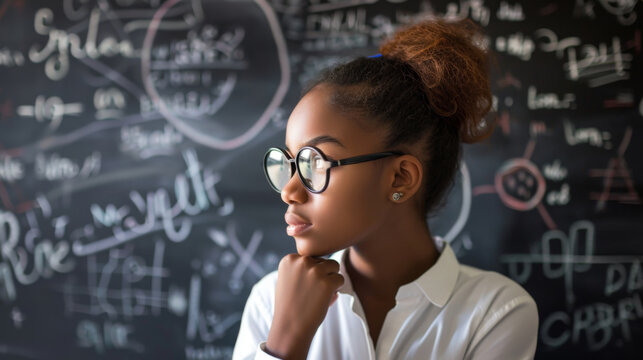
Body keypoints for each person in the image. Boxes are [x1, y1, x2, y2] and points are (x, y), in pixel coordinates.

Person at [232, 18, 539, 360]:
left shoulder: (495, 313)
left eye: (314, 163)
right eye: (288, 163)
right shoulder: (270, 301)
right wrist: (285, 344)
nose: (289, 191)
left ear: (400, 179)